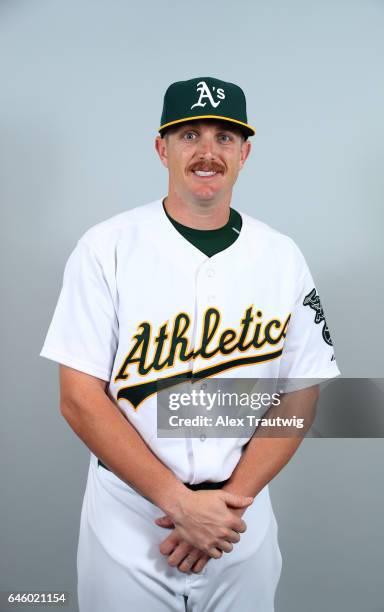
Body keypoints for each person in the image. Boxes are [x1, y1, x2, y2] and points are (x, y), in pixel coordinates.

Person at [39, 76, 340, 611]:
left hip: (237, 516)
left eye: (224, 138)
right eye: (189, 135)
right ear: (162, 148)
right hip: (129, 518)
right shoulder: (106, 246)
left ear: (245, 153)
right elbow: (78, 397)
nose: (207, 152)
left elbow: (303, 393)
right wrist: (178, 503)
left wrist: (227, 508)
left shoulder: (282, 255)